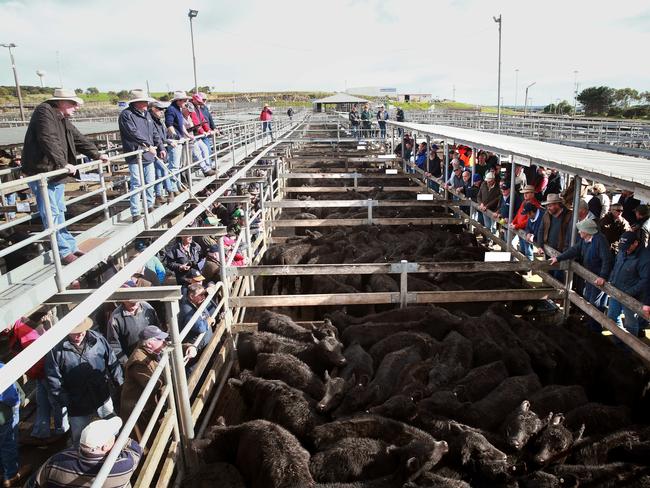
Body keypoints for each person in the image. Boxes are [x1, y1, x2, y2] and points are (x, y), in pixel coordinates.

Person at [22, 88, 108, 265]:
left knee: (59, 209)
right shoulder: (44, 112)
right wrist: (62, 163)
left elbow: (77, 138)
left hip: (55, 171)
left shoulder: (63, 118)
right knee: (51, 211)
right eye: (73, 103)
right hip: (42, 171)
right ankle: (62, 251)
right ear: (61, 102)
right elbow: (48, 138)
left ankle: (69, 246)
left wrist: (96, 154)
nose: (76, 107)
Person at [45, 318, 123, 447]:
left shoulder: (98, 339)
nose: (79, 335)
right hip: (76, 399)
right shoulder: (56, 350)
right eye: (75, 332)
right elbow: (53, 378)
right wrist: (65, 400)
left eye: (82, 331)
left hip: (101, 393)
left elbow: (111, 359)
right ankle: (80, 456)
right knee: (79, 434)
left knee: (111, 424)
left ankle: (114, 448)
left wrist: (119, 382)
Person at [120, 326, 196, 439]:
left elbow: (172, 346)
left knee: (157, 430)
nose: (164, 342)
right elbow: (154, 384)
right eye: (160, 339)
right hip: (138, 409)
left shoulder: (153, 350)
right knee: (145, 438)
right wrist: (172, 368)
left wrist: (190, 347)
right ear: (150, 343)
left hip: (150, 403)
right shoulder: (138, 362)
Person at [29, 417, 142, 488]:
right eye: (113, 436)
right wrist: (119, 439)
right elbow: (136, 449)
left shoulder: (56, 462)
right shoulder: (123, 466)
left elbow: (34, 483)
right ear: (106, 446)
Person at [8, 312, 67, 443]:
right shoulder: (18, 327)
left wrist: (34, 373)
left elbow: (40, 353)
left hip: (45, 371)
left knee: (54, 400)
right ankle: (42, 431)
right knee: (43, 401)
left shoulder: (23, 330)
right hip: (42, 372)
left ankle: (61, 430)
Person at [550, 219, 612, 320]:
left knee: (595, 303)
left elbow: (607, 259)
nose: (578, 232)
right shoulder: (584, 240)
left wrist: (603, 276)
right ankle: (589, 322)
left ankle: (595, 328)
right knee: (587, 298)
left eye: (581, 230)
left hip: (598, 277)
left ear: (587, 231)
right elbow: (574, 250)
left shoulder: (600, 240)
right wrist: (558, 258)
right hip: (589, 275)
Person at [118, 90, 163, 222]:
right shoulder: (126, 115)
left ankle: (149, 205)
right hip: (135, 154)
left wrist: (159, 146)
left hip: (148, 154)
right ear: (136, 103)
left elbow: (154, 132)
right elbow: (132, 133)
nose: (146, 104)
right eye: (144, 102)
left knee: (150, 181)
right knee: (137, 183)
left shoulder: (147, 115)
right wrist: (147, 145)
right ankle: (136, 212)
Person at [607, 232, 649, 338]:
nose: (625, 249)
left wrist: (629, 293)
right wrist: (612, 279)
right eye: (623, 246)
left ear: (635, 243)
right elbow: (616, 266)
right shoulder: (622, 251)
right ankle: (618, 343)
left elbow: (646, 281)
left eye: (627, 246)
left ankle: (629, 349)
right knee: (611, 316)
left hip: (631, 295)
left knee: (630, 322)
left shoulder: (645, 258)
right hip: (616, 289)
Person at [107, 283, 161, 365]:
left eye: (133, 292)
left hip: (153, 357)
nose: (132, 296)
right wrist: (127, 363)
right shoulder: (116, 318)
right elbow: (114, 345)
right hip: (134, 362)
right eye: (128, 293)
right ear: (122, 298)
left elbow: (157, 330)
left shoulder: (147, 308)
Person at [0, 362, 28, 488]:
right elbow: (10, 395)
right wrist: (18, 401)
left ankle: (2, 470)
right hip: (3, 415)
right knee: (8, 442)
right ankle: (10, 475)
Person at [164, 91, 192, 194]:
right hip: (175, 141)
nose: (186, 102)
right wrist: (175, 136)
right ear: (178, 101)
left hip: (179, 139)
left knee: (178, 165)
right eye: (184, 100)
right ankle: (174, 188)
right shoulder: (171, 110)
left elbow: (181, 125)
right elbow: (169, 124)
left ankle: (178, 185)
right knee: (174, 166)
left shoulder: (178, 110)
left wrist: (187, 135)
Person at [149, 100, 176, 205]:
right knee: (163, 171)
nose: (162, 111)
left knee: (160, 173)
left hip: (161, 149)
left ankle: (159, 195)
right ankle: (170, 191)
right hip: (156, 150)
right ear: (153, 109)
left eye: (163, 109)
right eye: (160, 109)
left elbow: (162, 135)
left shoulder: (159, 121)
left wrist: (167, 140)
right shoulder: (151, 120)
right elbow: (155, 136)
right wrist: (165, 142)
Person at [179, 283, 215, 351]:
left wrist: (210, 320)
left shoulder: (198, 303)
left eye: (204, 294)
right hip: (196, 348)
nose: (204, 297)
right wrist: (208, 322)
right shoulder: (187, 310)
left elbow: (207, 316)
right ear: (192, 296)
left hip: (205, 343)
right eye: (201, 295)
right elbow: (200, 328)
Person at [509, 185, 542, 259]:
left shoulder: (535, 204)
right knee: (522, 247)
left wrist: (517, 226)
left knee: (528, 249)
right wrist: (513, 222)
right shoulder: (524, 202)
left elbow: (529, 220)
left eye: (527, 193)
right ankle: (523, 264)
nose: (525, 194)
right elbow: (519, 213)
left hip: (527, 230)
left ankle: (528, 266)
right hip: (521, 228)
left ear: (533, 194)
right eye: (524, 193)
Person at [182, 103, 214, 177]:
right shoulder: (181, 117)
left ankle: (207, 168)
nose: (190, 113)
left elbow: (193, 126)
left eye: (191, 112)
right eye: (188, 111)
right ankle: (205, 170)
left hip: (193, 138)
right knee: (193, 157)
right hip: (186, 140)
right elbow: (182, 128)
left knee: (204, 150)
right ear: (184, 109)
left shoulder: (189, 117)